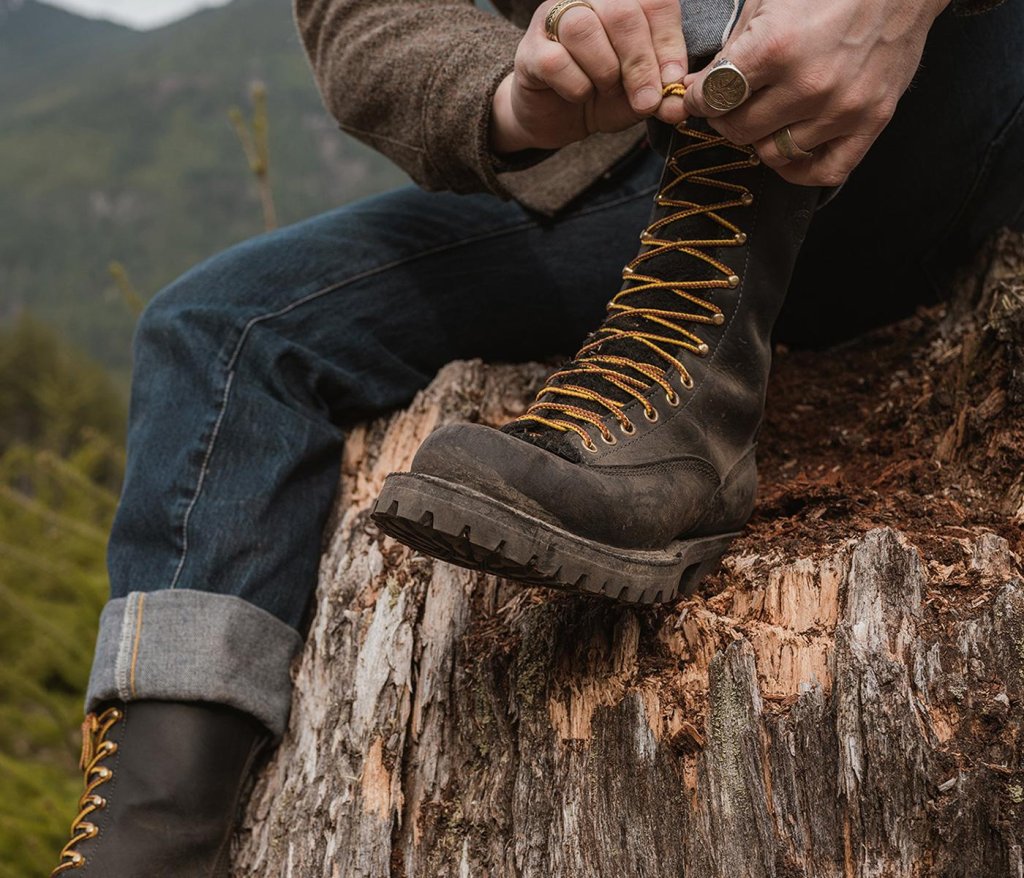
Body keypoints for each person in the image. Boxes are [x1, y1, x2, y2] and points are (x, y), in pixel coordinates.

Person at [50, 0, 1021, 873]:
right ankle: (148, 840)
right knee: (223, 330)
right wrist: (514, 92)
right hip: (648, 165)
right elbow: (364, 15)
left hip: (945, 96)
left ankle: (691, 402)